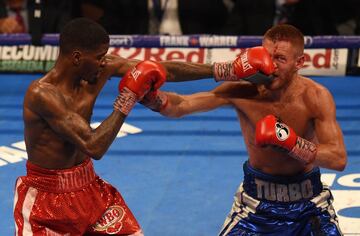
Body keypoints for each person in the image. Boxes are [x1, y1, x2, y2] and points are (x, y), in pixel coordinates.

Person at [13, 17, 216, 235]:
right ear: (77, 57)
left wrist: (221, 70)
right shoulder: (41, 94)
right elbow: (93, 145)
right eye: (99, 57)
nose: (104, 62)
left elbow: (162, 70)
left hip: (90, 190)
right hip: (46, 202)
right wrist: (128, 97)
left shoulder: (100, 69)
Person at [140, 24, 347, 235]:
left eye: (280, 59)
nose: (270, 66)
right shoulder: (242, 90)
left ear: (299, 62)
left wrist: (291, 143)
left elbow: (338, 158)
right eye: (267, 56)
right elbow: (182, 104)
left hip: (309, 206)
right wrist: (155, 100)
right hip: (254, 207)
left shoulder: (315, 96)